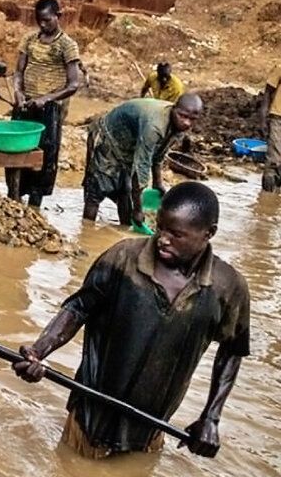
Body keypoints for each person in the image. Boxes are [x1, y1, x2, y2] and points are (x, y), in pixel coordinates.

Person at [13, 182, 249, 459]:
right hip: (89, 419)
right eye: (160, 226)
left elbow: (232, 351)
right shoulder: (123, 259)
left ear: (209, 233)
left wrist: (211, 418)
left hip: (150, 430)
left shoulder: (227, 288)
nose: (162, 238)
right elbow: (78, 308)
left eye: (176, 234)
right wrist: (39, 352)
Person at [6, 0, 82, 206]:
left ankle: (35, 205)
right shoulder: (30, 40)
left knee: (43, 157)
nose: (43, 24)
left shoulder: (67, 45)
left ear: (58, 17)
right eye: (39, 20)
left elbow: (73, 84)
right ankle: (13, 199)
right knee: (16, 151)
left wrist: (46, 99)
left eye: (47, 20)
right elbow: (18, 72)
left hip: (50, 109)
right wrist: (19, 93)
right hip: (25, 104)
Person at [82, 94, 203, 226]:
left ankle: (125, 229)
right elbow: (142, 166)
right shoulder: (154, 126)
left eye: (192, 119)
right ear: (174, 109)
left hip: (128, 147)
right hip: (108, 136)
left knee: (125, 190)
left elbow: (159, 154)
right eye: (183, 116)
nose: (186, 123)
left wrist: (157, 183)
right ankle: (86, 233)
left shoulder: (177, 127)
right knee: (96, 190)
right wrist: (138, 210)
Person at [261, 64, 281, 191]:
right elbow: (268, 93)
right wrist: (263, 119)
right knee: (273, 163)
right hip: (278, 118)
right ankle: (266, 200)